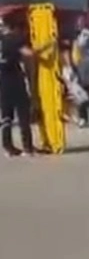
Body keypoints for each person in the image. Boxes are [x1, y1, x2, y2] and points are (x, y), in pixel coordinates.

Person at [0, 19, 53, 157]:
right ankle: (27, 147)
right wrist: (48, 45)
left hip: (2, 82)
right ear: (15, 27)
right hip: (14, 80)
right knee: (23, 114)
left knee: (6, 116)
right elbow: (30, 53)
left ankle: (8, 147)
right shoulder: (13, 39)